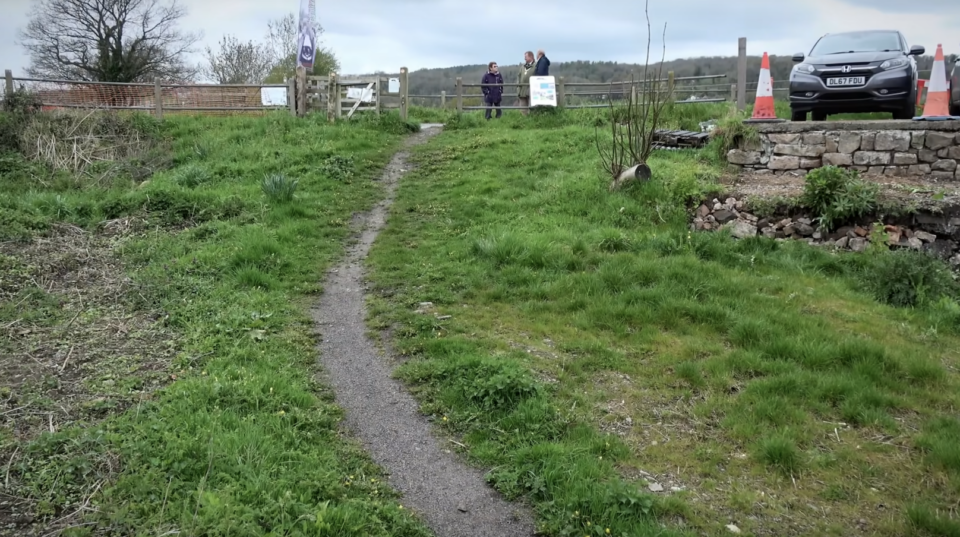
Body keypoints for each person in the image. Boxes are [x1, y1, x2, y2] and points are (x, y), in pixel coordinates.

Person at [517, 51, 536, 116]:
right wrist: (518, 88)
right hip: (522, 90)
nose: (524, 58)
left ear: (531, 57)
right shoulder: (523, 67)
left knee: (531, 108)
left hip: (531, 90)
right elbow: (518, 77)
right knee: (523, 108)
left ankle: (532, 121)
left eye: (526, 57)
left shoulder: (535, 66)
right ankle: (523, 121)